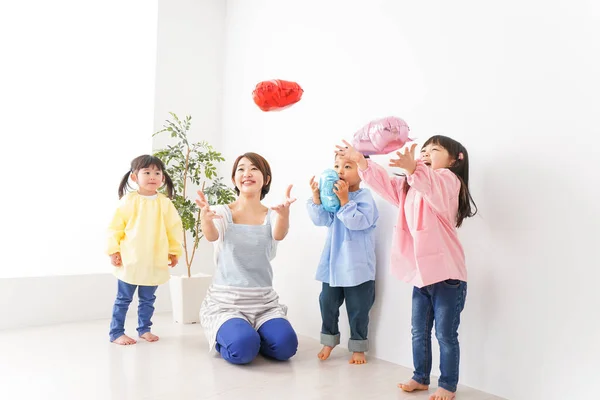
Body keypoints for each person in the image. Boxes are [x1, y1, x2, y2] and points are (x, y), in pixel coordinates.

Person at [336, 136, 477, 400]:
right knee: (419, 330)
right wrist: (361, 161)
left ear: (454, 160)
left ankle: (447, 384)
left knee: (445, 334)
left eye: (434, 150)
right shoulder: (410, 186)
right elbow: (386, 184)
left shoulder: (448, 181)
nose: (425, 153)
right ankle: (421, 377)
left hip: (447, 274)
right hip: (421, 273)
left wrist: (414, 169)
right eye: (423, 149)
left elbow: (430, 184)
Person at [197, 152, 299, 364]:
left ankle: (254, 334)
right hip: (226, 302)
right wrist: (205, 220)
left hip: (263, 303)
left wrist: (285, 215)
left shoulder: (273, 213)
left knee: (286, 346)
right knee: (242, 349)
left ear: (266, 178)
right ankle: (239, 336)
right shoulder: (222, 212)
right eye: (241, 169)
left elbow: (279, 234)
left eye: (254, 169)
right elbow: (212, 236)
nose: (247, 173)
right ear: (234, 179)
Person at [107, 155, 183, 345]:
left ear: (163, 178)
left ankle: (144, 329)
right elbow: (115, 227)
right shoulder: (128, 201)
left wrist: (174, 251)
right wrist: (113, 250)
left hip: (154, 260)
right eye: (147, 172)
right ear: (134, 177)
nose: (152, 176)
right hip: (130, 259)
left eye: (157, 173)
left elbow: (174, 228)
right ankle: (116, 332)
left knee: (148, 299)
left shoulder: (164, 203)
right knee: (123, 299)